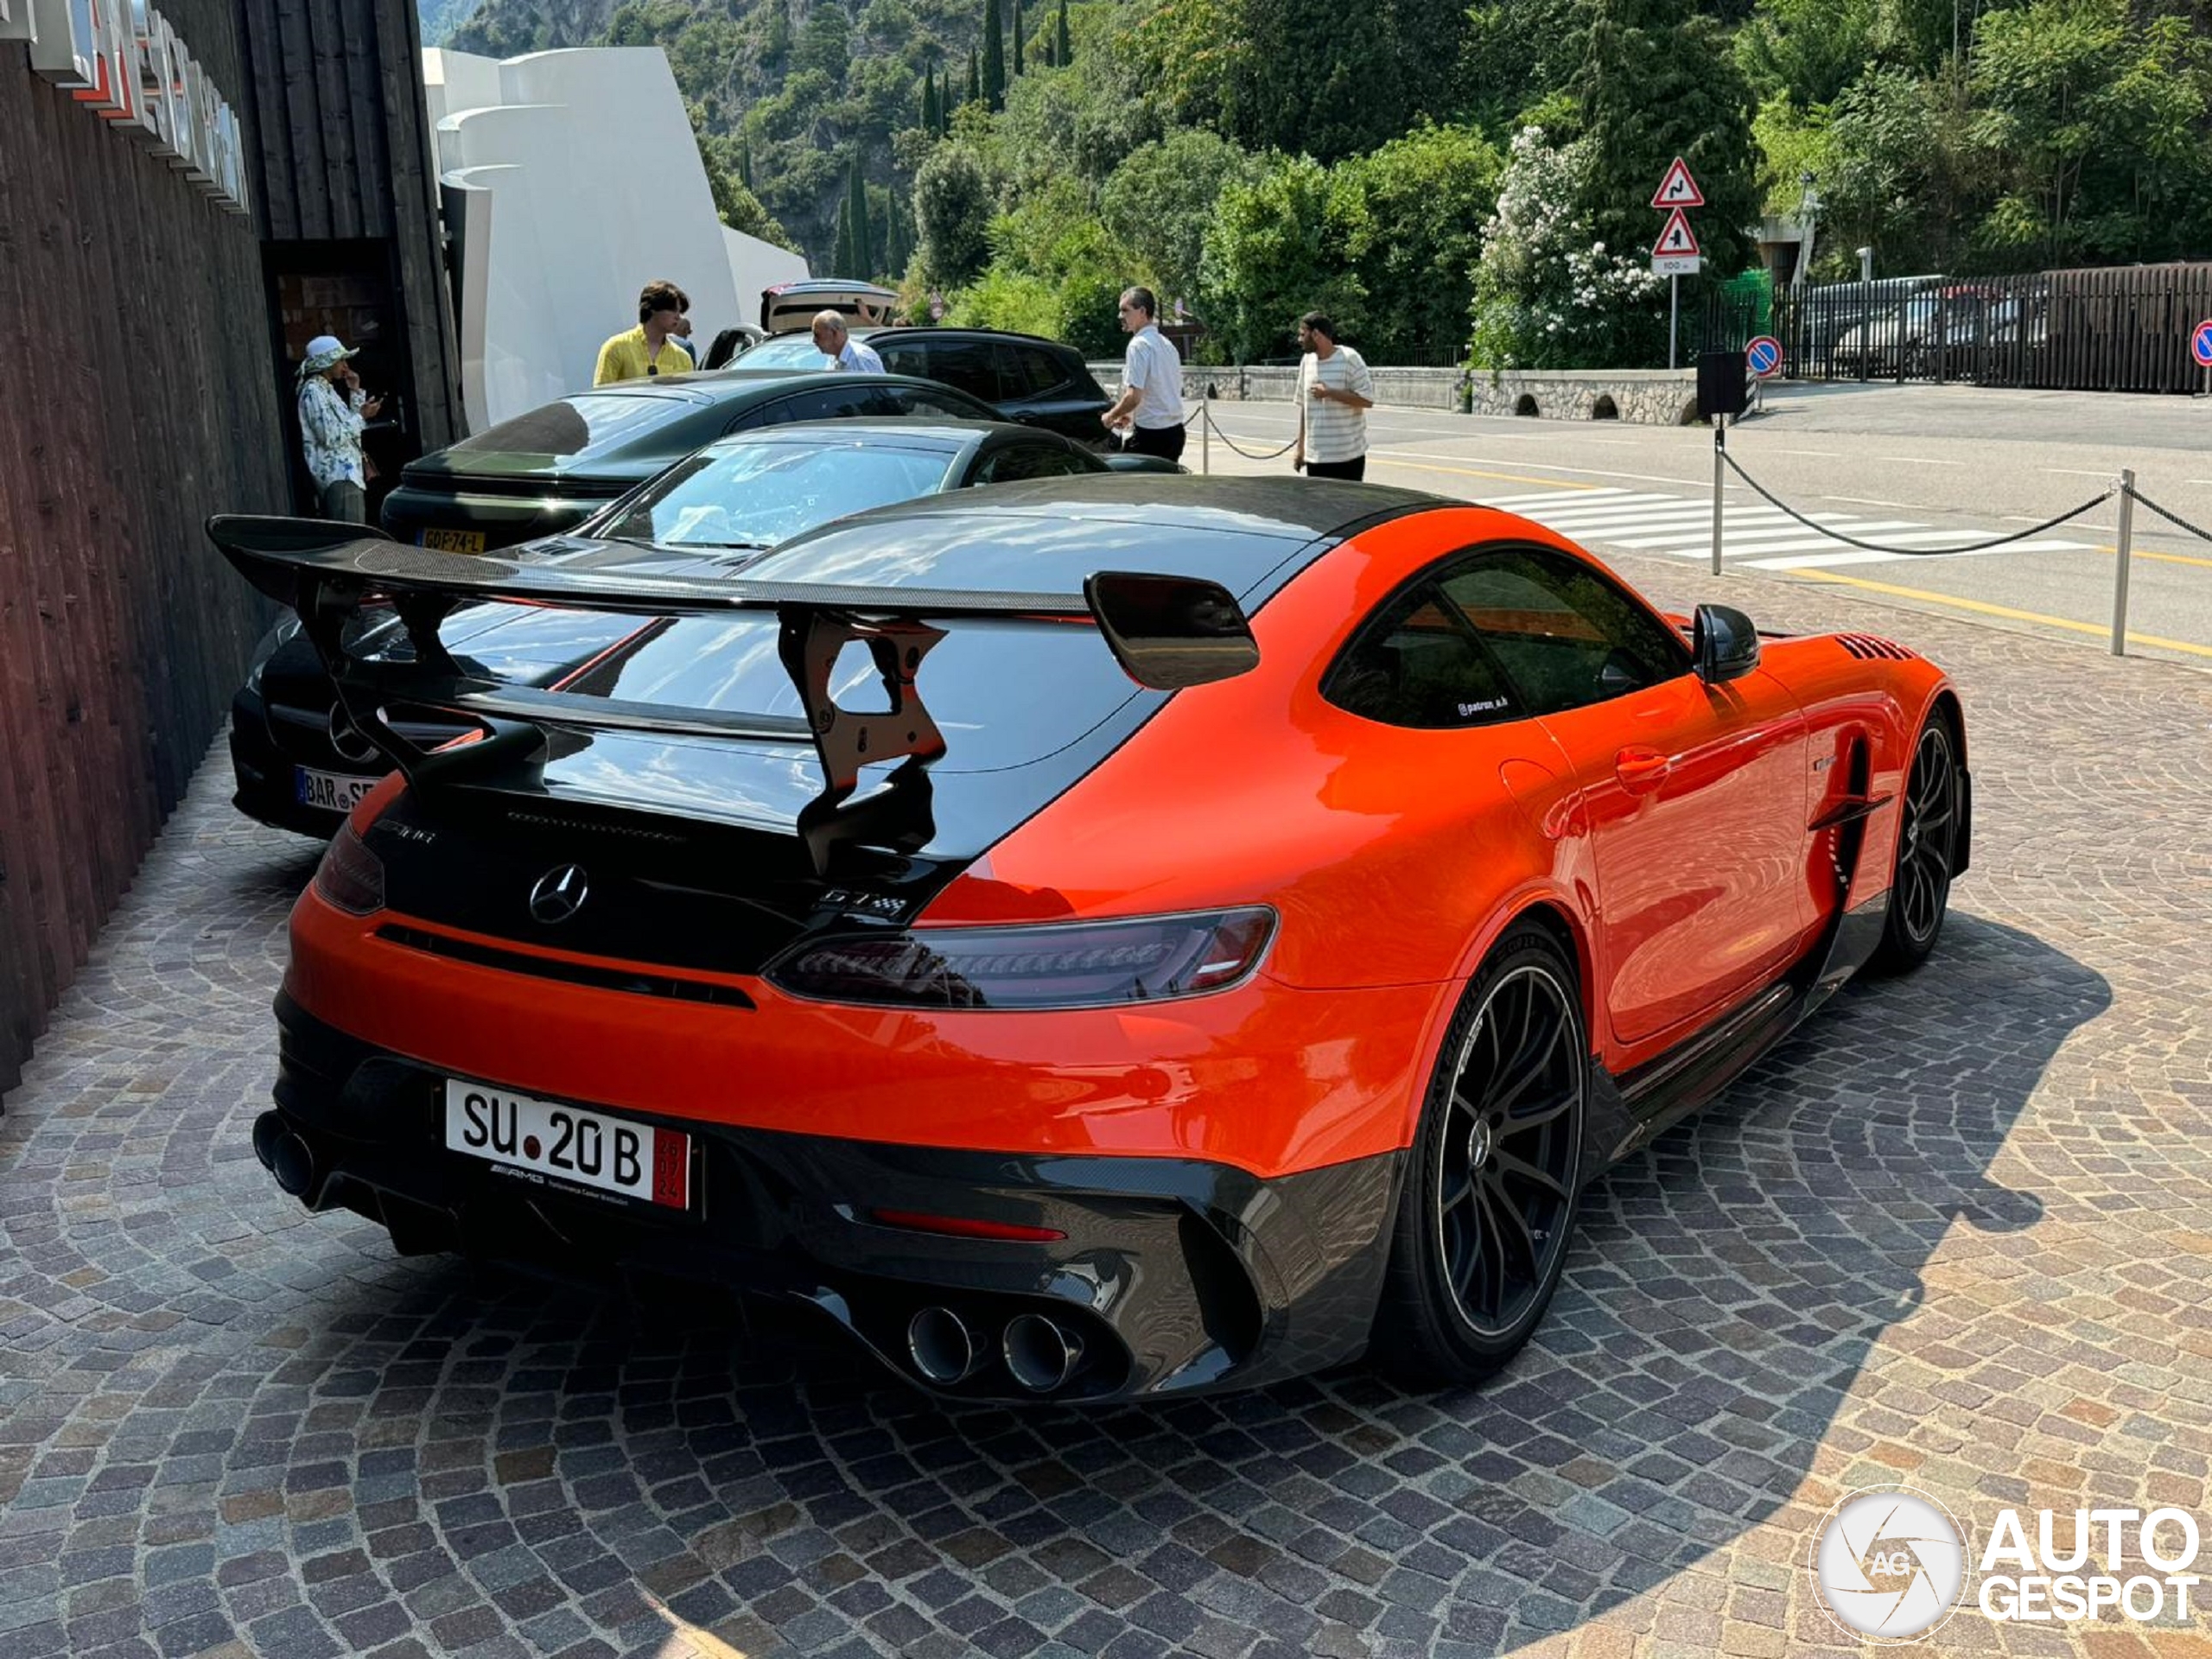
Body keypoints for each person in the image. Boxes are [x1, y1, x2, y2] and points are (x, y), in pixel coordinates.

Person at [296, 334, 381, 524]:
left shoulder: (326, 389)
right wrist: (362, 416)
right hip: (338, 477)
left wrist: (356, 392)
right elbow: (331, 437)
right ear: (327, 362)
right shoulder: (313, 392)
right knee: (350, 543)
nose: (345, 365)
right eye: (340, 360)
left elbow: (348, 429)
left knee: (354, 538)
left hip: (348, 476)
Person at [1103, 286, 1185, 462]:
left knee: (1131, 484)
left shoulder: (1138, 345)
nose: (1120, 316)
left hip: (1151, 437)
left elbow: (1133, 397)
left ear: (1142, 311)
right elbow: (1160, 390)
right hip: (1175, 432)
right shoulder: (1167, 345)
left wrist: (1111, 416)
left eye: (1125, 310)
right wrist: (1129, 414)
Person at [1292, 311, 1375, 481]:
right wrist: (1300, 448)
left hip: (1347, 457)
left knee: (1348, 508)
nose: (1299, 340)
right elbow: (1304, 408)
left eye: (1302, 334)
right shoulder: (1306, 361)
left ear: (1316, 334)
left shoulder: (1350, 358)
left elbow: (1367, 400)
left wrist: (1329, 393)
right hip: (1316, 457)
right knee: (1319, 508)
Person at [594, 280, 694, 385]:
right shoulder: (616, 347)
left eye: (679, 311)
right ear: (653, 309)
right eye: (672, 310)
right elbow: (601, 396)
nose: (678, 317)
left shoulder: (683, 357)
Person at [811, 310, 885, 372]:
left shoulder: (861, 359)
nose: (814, 340)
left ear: (835, 333)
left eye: (817, 335)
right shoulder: (834, 359)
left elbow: (874, 389)